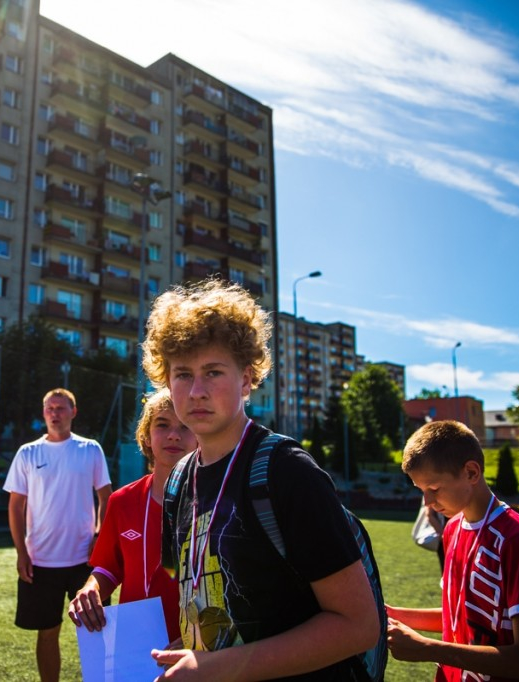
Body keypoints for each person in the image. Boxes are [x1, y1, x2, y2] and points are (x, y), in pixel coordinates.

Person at [144, 279, 380, 680]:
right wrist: (191, 652)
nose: (197, 391)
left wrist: (221, 665)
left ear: (247, 378)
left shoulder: (287, 471)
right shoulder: (180, 481)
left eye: (213, 372)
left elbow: (358, 626)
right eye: (183, 374)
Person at [386, 420, 519, 681]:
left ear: (471, 473)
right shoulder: (452, 530)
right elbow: (460, 613)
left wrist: (427, 649)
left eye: (433, 489)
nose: (428, 503)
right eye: (421, 491)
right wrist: (395, 614)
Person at [67, 389, 197, 643]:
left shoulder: (218, 503)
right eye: (162, 424)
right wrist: (90, 589)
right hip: (136, 643)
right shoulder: (122, 501)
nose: (173, 435)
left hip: (199, 646)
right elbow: (107, 568)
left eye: (185, 426)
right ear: (147, 436)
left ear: (200, 437)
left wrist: (200, 637)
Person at [3, 388, 112, 682]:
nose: (55, 413)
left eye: (61, 408)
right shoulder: (28, 452)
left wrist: (99, 536)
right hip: (41, 562)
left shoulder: (90, 449)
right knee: (48, 632)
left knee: (96, 630)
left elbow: (106, 497)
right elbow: (16, 506)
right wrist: (21, 553)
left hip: (84, 561)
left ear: (73, 412)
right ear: (43, 414)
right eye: (50, 408)